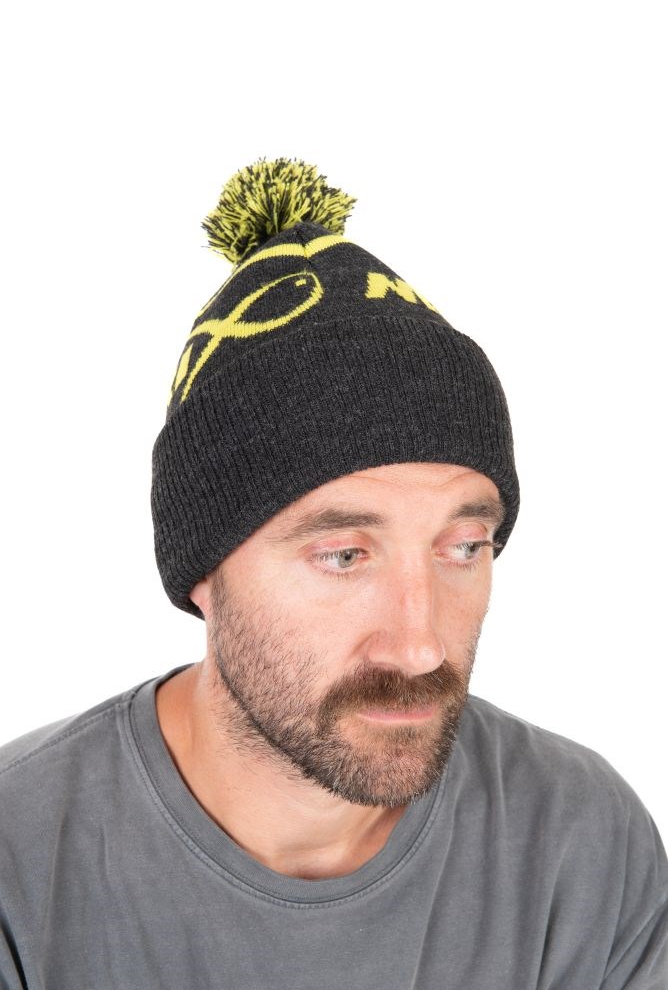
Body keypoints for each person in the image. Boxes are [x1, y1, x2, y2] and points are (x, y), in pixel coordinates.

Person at [0, 157, 665, 989]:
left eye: (464, 547)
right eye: (345, 555)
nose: (420, 647)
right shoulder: (21, 866)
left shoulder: (582, 843)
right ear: (204, 570)